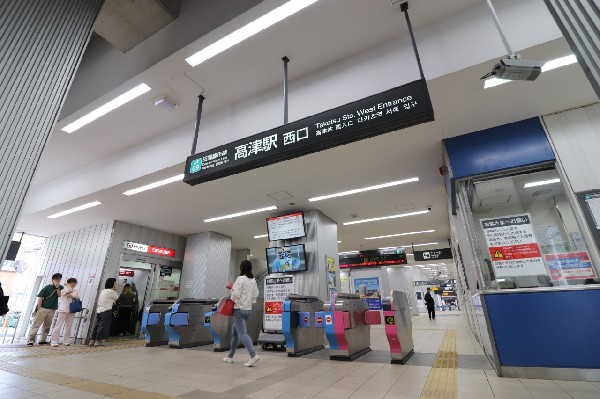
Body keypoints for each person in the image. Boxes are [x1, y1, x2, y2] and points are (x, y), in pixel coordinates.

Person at [223, 260, 260, 367]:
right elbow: (256, 294)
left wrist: (232, 289)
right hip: (247, 310)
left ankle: (253, 355)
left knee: (242, 333)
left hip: (239, 310)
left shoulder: (241, 278)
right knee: (235, 332)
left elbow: (236, 293)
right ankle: (230, 356)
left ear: (242, 268)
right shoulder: (253, 280)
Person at [28, 273, 63, 345]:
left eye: (59, 279)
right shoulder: (47, 287)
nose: (58, 281)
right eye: (56, 279)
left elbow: (60, 295)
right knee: (36, 325)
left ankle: (43, 340)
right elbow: (40, 298)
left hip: (52, 309)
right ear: (52, 280)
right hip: (43, 308)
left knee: (47, 325)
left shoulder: (60, 287)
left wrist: (57, 287)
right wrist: (39, 308)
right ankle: (30, 340)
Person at [89, 278, 118, 347]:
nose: (115, 284)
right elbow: (116, 297)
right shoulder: (111, 291)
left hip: (99, 311)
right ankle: (98, 341)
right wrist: (114, 290)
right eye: (115, 283)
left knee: (97, 325)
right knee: (103, 326)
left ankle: (92, 340)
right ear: (112, 284)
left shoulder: (103, 291)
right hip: (106, 310)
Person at [50, 278, 79, 347]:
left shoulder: (75, 290)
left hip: (71, 310)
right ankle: (54, 341)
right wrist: (67, 285)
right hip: (63, 309)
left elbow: (77, 297)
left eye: (75, 283)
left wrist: (72, 296)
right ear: (68, 283)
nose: (74, 284)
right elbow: (71, 292)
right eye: (72, 283)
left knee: (69, 326)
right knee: (58, 325)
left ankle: (66, 341)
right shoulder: (64, 289)